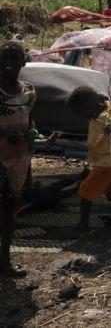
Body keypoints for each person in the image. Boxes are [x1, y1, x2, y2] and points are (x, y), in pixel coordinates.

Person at [66, 86, 111, 232]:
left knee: (86, 188)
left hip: (109, 161)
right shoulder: (110, 105)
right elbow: (102, 95)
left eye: (82, 114)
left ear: (88, 107)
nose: (84, 118)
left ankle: (83, 224)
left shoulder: (105, 118)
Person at [0, 41, 34, 276]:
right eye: (4, 58)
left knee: (10, 210)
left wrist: (33, 134)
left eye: (14, 58)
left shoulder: (29, 91)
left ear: (23, 62)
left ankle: (5, 261)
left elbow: (30, 120)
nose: (9, 62)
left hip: (19, 158)